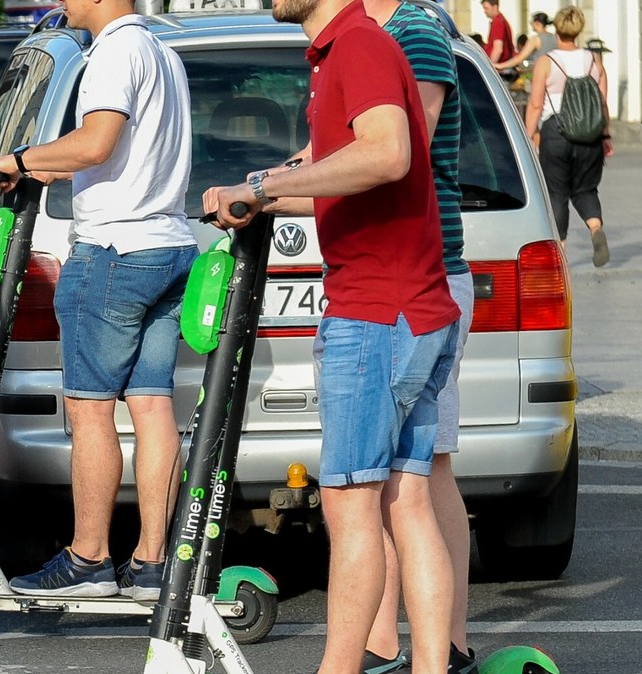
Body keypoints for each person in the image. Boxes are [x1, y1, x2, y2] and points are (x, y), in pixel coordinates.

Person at [203, 0, 461, 670]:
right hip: (412, 309)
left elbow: (389, 153)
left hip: (378, 314)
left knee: (350, 509)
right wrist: (258, 194)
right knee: (406, 503)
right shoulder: (338, 53)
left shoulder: (359, 46)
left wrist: (264, 182)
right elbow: (339, 180)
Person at [0, 0, 196, 601]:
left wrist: (19, 161)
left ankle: (89, 558)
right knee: (152, 407)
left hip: (114, 252)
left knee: (90, 408)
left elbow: (96, 143)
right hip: (169, 243)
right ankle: (153, 563)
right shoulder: (164, 54)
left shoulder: (112, 53)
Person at [353, 1, 474, 671]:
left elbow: (406, 152)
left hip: (423, 275)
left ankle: (445, 646)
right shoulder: (372, 37)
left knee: (417, 474)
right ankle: (393, 647)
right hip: (400, 277)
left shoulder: (415, 33)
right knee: (403, 475)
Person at [525, 5, 612, 267]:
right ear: (578, 29)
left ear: (557, 29)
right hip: (590, 135)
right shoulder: (594, 60)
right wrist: (605, 135)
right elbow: (601, 102)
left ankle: (561, 253)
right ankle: (595, 228)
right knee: (586, 188)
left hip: (556, 132)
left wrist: (529, 135)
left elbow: (536, 104)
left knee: (557, 192)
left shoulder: (547, 61)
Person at [480, 0, 515, 66]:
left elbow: (498, 49)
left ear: (494, 7)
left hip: (499, 67)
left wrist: (490, 68)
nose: (485, 11)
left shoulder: (497, 22)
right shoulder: (501, 20)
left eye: (486, 8)